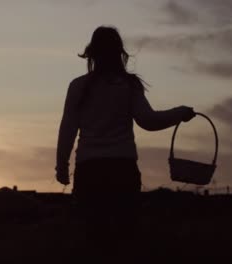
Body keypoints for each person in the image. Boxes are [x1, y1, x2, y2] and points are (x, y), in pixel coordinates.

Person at [54, 26, 195, 258]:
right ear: (119, 52)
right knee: (124, 241)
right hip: (122, 169)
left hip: (90, 170)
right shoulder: (128, 85)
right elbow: (148, 121)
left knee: (93, 241)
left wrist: (62, 167)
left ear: (92, 54)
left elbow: (67, 129)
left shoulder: (78, 86)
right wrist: (180, 113)